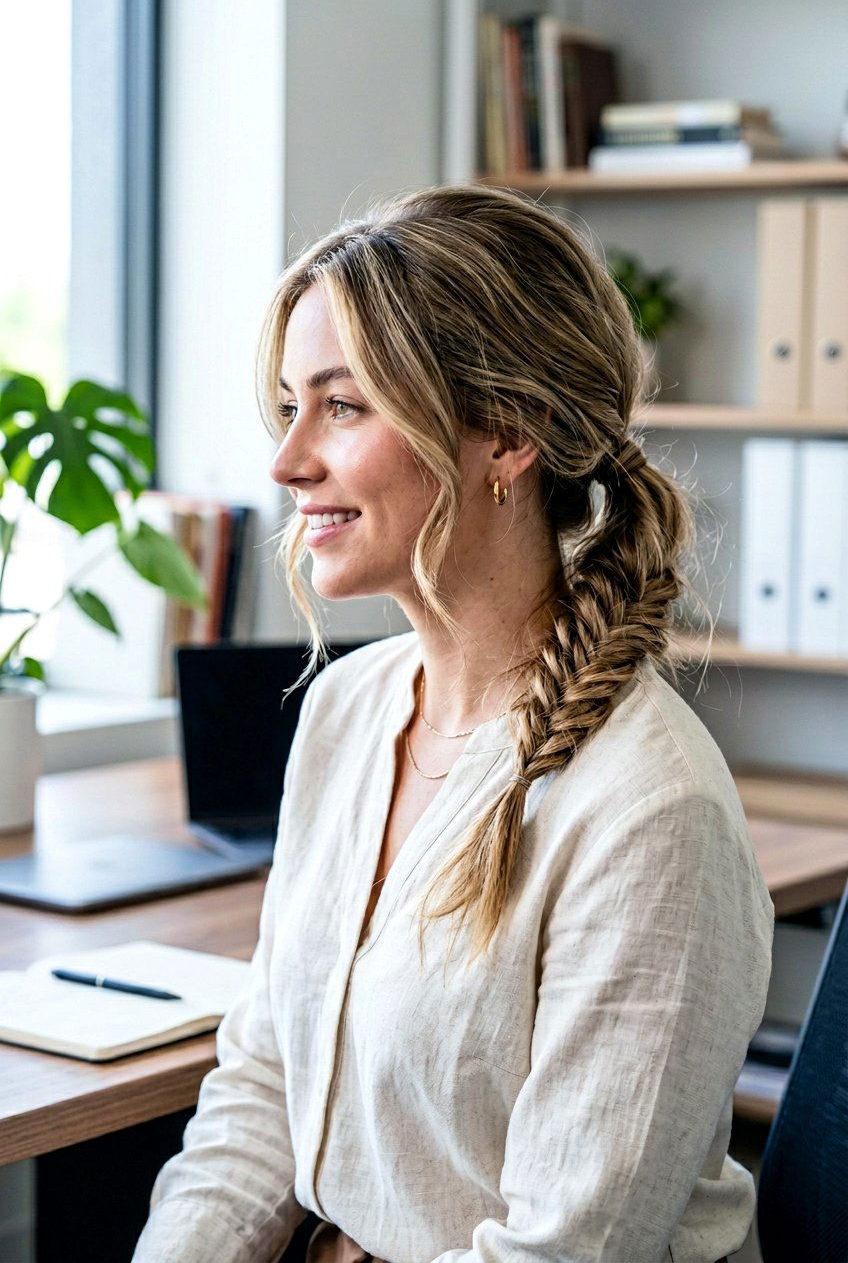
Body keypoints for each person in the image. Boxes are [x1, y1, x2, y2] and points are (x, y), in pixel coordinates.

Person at [132, 183, 773, 1263]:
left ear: (504, 436)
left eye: (341, 406)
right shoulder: (343, 711)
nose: (287, 462)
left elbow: (562, 1249)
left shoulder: (649, 809)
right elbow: (262, 1085)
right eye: (290, 406)